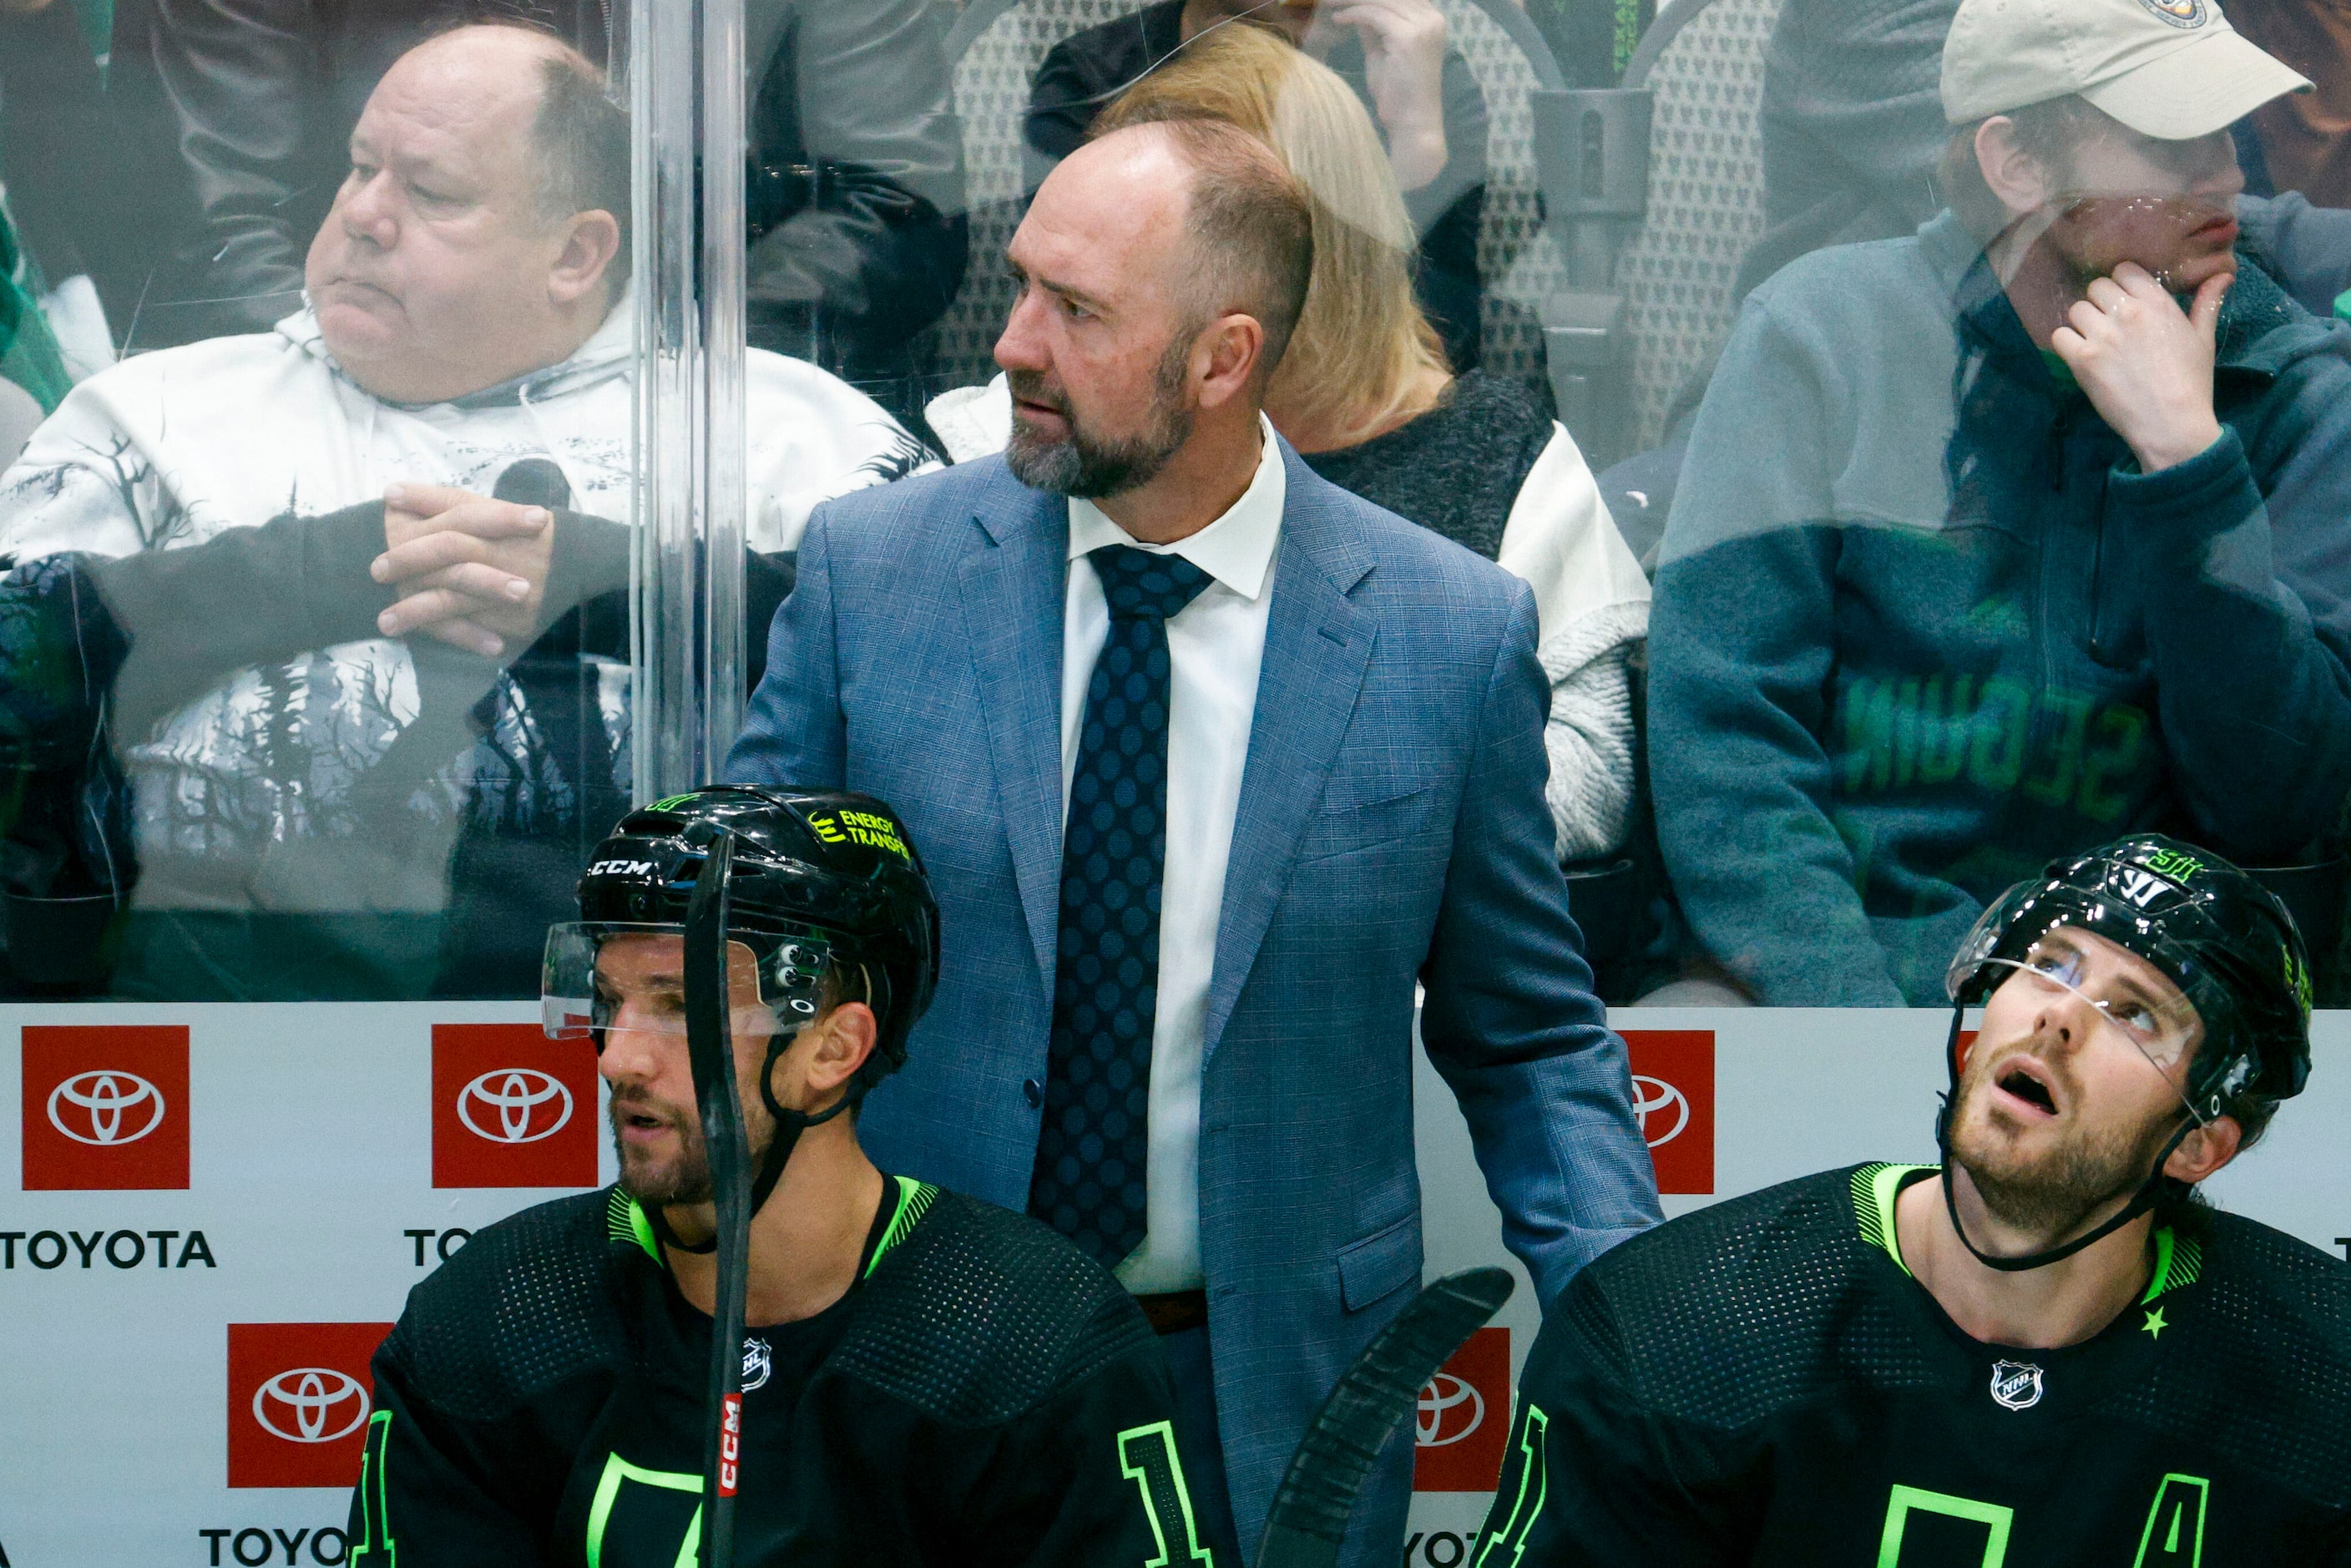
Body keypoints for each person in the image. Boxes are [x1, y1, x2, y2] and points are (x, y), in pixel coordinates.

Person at [729, 117, 1661, 1568]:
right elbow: (744, 962)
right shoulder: (873, 574)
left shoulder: (1444, 634)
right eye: (1023, 286)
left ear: (1224, 359)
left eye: (1078, 310)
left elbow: (1530, 1033)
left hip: (1270, 1393)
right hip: (904, 1364)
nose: (1014, 347)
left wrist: (1633, 1322)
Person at [0, 24, 929, 1000]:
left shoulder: (784, 434)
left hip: (679, 1052)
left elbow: (952, 704)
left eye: (429, 193)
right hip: (189, 1056)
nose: (363, 215)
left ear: (576, 252)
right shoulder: (155, 415)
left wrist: (622, 583)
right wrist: (315, 573)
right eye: (359, 168)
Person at [1646, 0, 2351, 1004]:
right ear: (2014, 163)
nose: (2225, 175)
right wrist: (1852, 1031)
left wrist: (2186, 467)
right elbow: (1726, 749)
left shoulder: (2292, 391)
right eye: (2167, 142)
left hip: (2138, 1015)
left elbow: (2276, 806)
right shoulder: (1823, 336)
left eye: (2225, 129)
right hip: (1837, 978)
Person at [349, 785, 1215, 1566]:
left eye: (683, 1006)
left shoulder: (1035, 1340)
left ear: (834, 1049)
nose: (617, 1057)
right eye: (610, 1004)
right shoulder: (492, 1316)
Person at [1474, 835, 2351, 1565]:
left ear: (2199, 1142)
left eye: (2136, 1014)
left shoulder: (2326, 1380)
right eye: (2049, 965)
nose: (2058, 1019)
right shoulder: (1670, 1329)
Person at [930, 24, 1650, 862]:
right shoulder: (1031, 426)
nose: (1020, 344)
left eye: (1085, 306)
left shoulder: (1496, 454)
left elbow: (1587, 779)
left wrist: (1269, 789)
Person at [129, 0, 967, 377]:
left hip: (713, 386)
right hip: (348, 370)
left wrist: (653, 366)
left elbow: (897, 210)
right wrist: (387, 373)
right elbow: (219, 224)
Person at [1026, 0, 1491, 370]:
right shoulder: (1093, 76)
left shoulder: (1415, 67)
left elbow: (1448, 342)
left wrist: (1416, 141)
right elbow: (1072, 312)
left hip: (1355, 402)